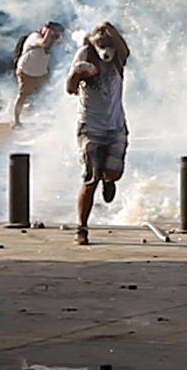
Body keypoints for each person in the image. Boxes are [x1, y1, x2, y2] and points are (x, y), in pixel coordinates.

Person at [65, 20, 131, 245]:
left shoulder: (117, 60)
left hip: (115, 126)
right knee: (89, 180)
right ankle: (81, 228)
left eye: (107, 44)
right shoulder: (84, 54)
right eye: (100, 44)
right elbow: (70, 88)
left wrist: (108, 27)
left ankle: (109, 179)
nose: (104, 49)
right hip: (90, 126)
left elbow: (125, 49)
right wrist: (80, 73)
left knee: (114, 172)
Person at [11, 21, 64, 128]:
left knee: (49, 93)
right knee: (23, 95)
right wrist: (49, 32)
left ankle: (54, 118)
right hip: (26, 70)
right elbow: (44, 44)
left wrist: (58, 36)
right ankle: (16, 120)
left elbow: (59, 44)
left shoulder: (52, 39)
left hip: (40, 72)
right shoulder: (35, 36)